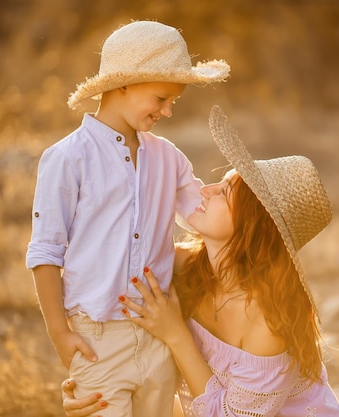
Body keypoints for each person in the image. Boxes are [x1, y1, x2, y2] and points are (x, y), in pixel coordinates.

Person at [61, 106, 339, 417]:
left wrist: (176, 334)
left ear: (252, 226)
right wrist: (95, 389)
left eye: (224, 192)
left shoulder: (267, 322)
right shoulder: (183, 267)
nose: (206, 191)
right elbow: (102, 267)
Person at [25, 21, 230, 417]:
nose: (168, 111)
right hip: (97, 337)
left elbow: (203, 217)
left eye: (175, 101)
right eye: (161, 97)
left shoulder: (168, 157)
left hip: (159, 335)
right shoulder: (68, 159)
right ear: (123, 85)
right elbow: (46, 252)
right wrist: (59, 333)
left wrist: (254, 208)